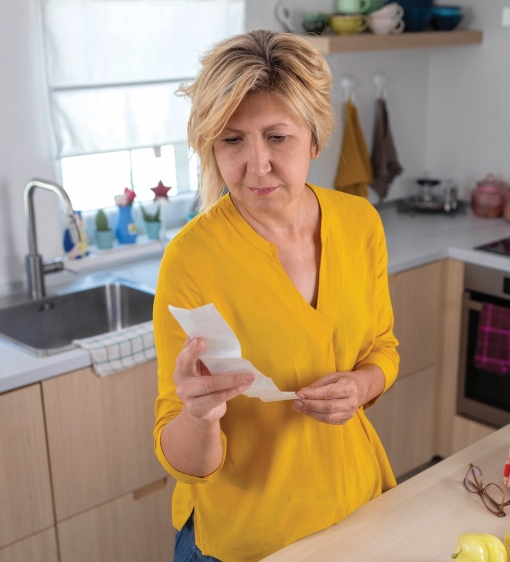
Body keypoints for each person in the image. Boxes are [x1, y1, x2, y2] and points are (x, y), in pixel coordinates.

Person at [153, 29, 400, 562]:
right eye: (232, 140)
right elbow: (184, 462)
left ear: (315, 138)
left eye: (277, 137)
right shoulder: (192, 260)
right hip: (246, 541)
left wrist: (361, 385)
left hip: (358, 511)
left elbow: (383, 347)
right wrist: (198, 418)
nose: (256, 164)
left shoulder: (359, 224)